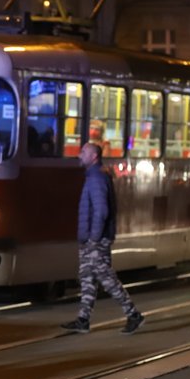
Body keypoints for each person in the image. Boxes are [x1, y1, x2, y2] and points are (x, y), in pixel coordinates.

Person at [61, 142, 145, 335]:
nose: (79, 155)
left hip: (96, 240)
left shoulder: (96, 179)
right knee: (87, 277)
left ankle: (133, 314)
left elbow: (101, 211)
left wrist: (94, 237)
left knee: (106, 278)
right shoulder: (94, 177)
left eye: (83, 152)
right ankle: (83, 319)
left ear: (94, 157)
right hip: (90, 239)